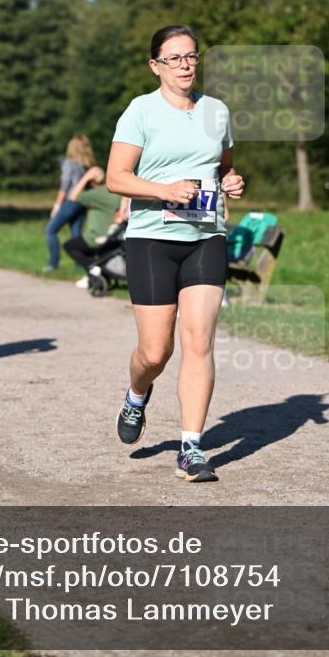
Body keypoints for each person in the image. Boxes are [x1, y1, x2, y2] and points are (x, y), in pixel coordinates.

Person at [106, 24, 244, 484]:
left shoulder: (217, 111)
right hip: (151, 239)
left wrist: (231, 181)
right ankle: (136, 393)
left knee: (199, 341)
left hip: (206, 236)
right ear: (156, 65)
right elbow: (116, 177)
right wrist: (165, 190)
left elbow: (224, 166)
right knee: (155, 351)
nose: (185, 65)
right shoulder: (140, 111)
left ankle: (191, 448)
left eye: (191, 56)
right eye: (175, 58)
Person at [62, 167, 123, 288]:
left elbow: (72, 197)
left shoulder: (95, 194)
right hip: (113, 235)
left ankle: (93, 267)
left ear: (92, 182)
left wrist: (85, 178)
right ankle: (95, 272)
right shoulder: (115, 192)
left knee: (69, 246)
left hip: (95, 236)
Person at [43, 134, 96, 272]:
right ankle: (80, 265)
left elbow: (64, 186)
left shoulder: (69, 163)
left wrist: (57, 205)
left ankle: (53, 264)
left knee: (50, 230)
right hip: (82, 202)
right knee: (76, 232)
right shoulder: (86, 165)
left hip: (71, 201)